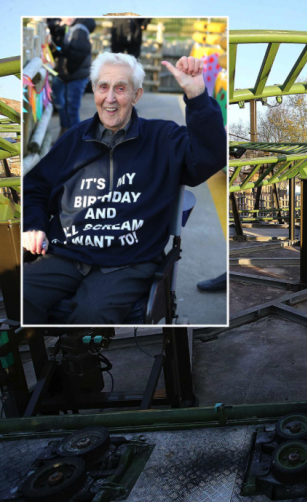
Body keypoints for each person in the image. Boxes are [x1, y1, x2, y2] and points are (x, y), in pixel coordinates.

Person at [22, 53, 226, 324]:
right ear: (93, 90)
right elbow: (34, 188)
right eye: (103, 87)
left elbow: (211, 156)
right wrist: (33, 225)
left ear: (136, 94)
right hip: (67, 254)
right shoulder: (74, 138)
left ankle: (77, 363)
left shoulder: (163, 137)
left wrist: (197, 96)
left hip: (128, 261)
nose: (110, 98)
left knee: (89, 315)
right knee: (17, 296)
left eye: (120, 88)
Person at [48, 18, 96, 135]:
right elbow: (58, 50)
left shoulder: (79, 29)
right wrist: (56, 34)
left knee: (72, 109)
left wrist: (67, 71)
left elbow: (78, 52)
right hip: (66, 75)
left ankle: (75, 138)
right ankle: (65, 133)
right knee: (62, 104)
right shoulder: (68, 28)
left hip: (75, 76)